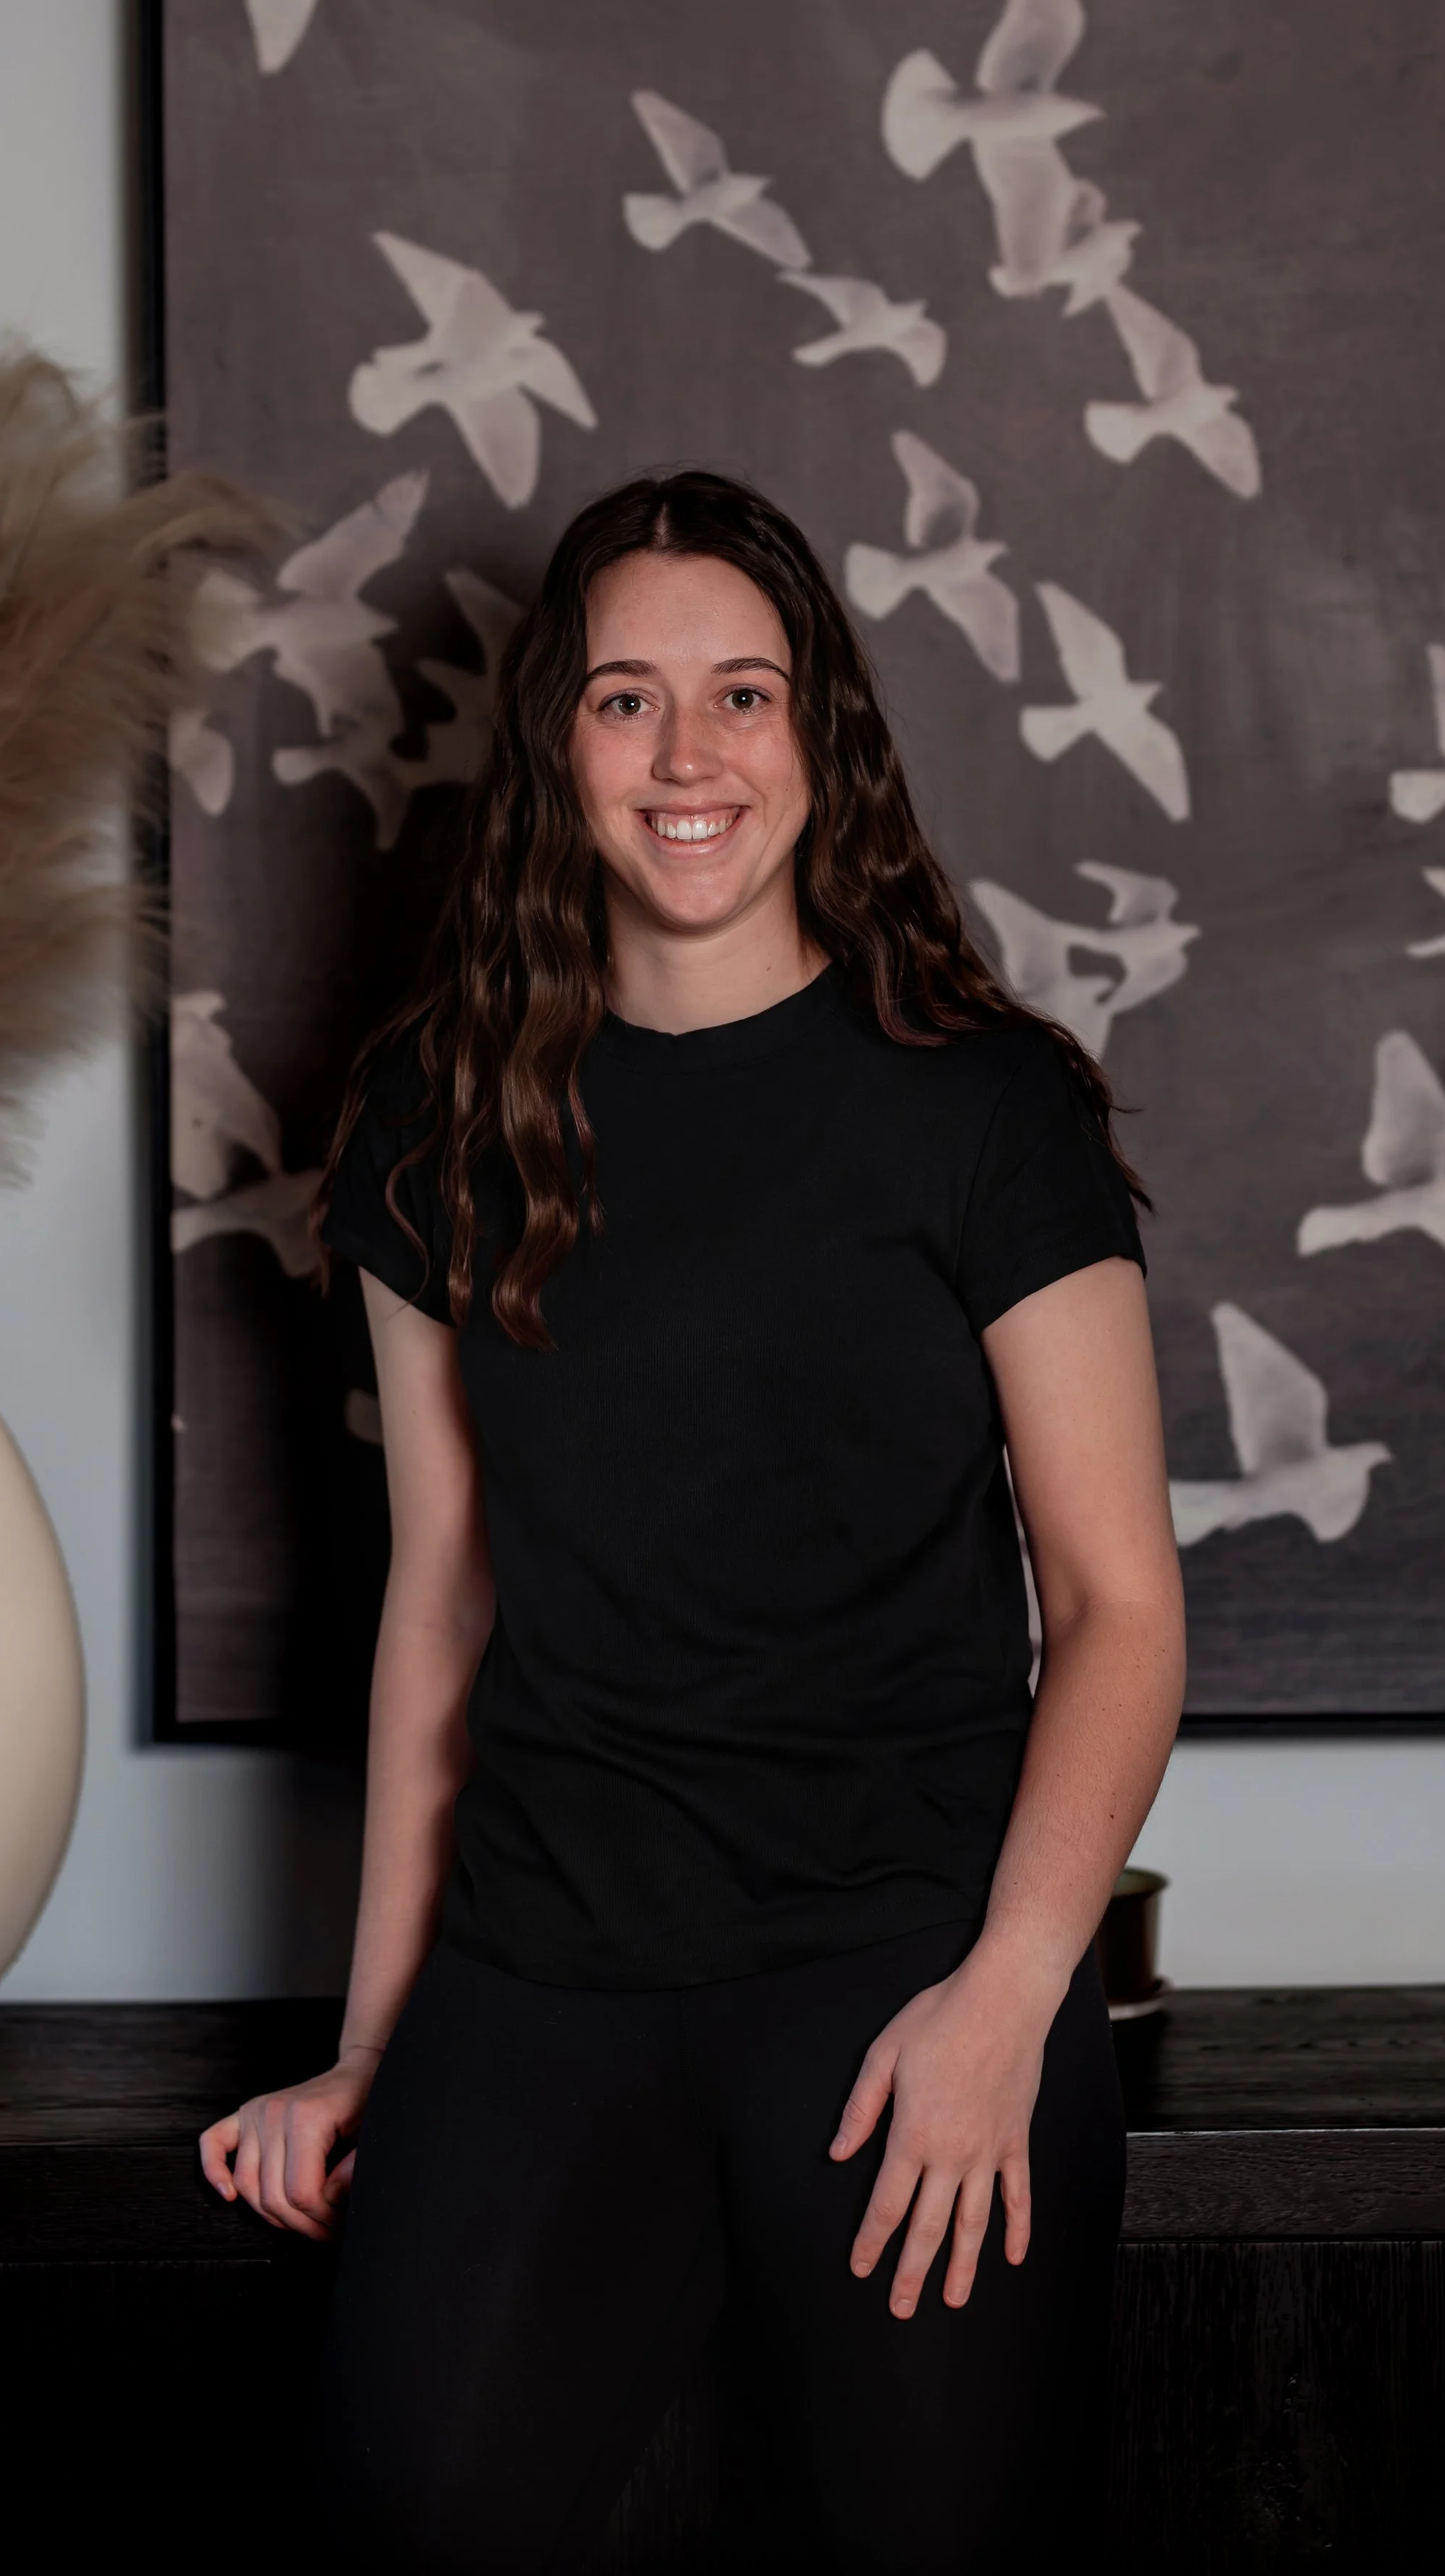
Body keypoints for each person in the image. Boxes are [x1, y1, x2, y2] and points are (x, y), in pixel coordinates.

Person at [199, 470, 1186, 2572]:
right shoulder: (434, 1122)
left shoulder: (982, 1105)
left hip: (905, 1976)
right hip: (538, 1975)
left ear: (816, 732)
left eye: (740, 693)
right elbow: (441, 1610)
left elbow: (1115, 1602)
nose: (689, 757)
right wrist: (371, 2048)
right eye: (629, 701)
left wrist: (1013, 1993)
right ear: (558, 738)